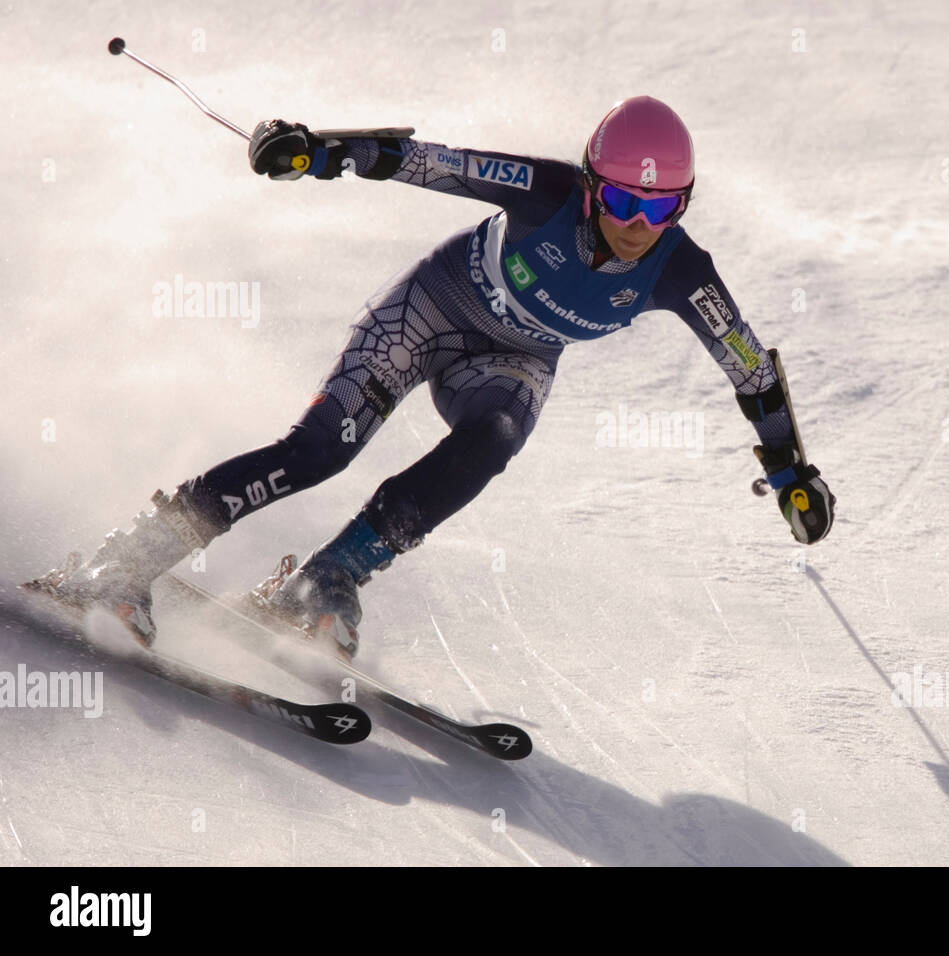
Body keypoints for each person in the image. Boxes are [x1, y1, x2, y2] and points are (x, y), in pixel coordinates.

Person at [28, 96, 835, 660]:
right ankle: (126, 561)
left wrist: (792, 471)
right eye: (624, 200)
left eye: (661, 210)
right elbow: (431, 163)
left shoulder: (682, 273)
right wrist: (318, 150)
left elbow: (751, 372)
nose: (636, 226)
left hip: (510, 365)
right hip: (431, 312)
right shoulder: (547, 192)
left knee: (495, 440)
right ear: (592, 183)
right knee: (320, 452)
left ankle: (326, 580)